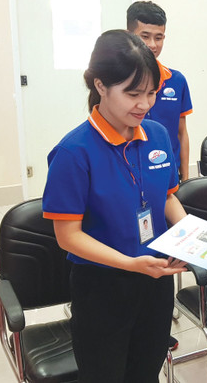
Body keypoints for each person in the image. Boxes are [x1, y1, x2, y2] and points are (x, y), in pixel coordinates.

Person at [42, 30, 188, 382]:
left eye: (151, 93)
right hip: (103, 287)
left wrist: (191, 233)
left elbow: (168, 197)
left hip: (155, 280)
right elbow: (68, 236)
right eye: (132, 94)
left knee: (146, 371)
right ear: (101, 85)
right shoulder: (74, 152)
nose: (144, 104)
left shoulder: (157, 134)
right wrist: (129, 264)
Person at [127, 1, 193, 182]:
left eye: (159, 38)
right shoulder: (117, 83)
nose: (152, 45)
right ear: (129, 35)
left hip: (168, 173)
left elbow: (182, 133)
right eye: (145, 36)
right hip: (131, 174)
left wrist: (186, 179)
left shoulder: (176, 80)